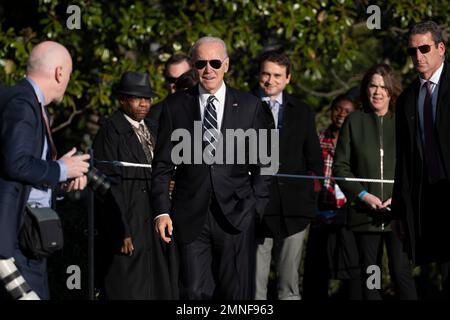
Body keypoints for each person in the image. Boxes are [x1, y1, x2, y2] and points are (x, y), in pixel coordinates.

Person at [151, 36, 270, 300]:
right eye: (201, 63)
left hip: (237, 216)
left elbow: (266, 165)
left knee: (235, 294)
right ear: (193, 67)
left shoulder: (251, 106)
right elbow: (162, 165)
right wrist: (161, 211)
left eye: (215, 62)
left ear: (226, 65)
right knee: (193, 292)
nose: (209, 69)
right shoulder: (174, 106)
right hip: (189, 215)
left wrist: (253, 209)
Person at [0, 41, 90, 300]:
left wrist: (57, 180)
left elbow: (20, 171)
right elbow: (15, 163)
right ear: (60, 73)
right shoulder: (22, 102)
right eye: (69, 75)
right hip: (17, 243)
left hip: (24, 240)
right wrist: (62, 168)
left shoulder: (21, 99)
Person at [333, 63, 417, 300]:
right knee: (371, 275)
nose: (377, 92)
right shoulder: (354, 121)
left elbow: (414, 166)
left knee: (402, 273)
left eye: (383, 87)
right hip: (364, 215)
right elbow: (340, 167)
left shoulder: (404, 122)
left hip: (398, 216)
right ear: (365, 89)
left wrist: (400, 198)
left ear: (391, 91)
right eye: (373, 86)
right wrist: (363, 195)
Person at [92, 71, 178, 300]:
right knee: (129, 288)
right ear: (122, 99)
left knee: (159, 287)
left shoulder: (153, 127)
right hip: (128, 222)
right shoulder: (110, 132)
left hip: (154, 222)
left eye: (147, 98)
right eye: (136, 98)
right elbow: (107, 185)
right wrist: (120, 230)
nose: (143, 103)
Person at [254, 51, 323, 300]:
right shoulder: (242, 106)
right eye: (266, 74)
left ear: (288, 78)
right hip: (255, 209)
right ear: (259, 75)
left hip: (294, 208)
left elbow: (314, 159)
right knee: (254, 284)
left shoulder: (302, 111)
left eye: (277, 75)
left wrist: (313, 200)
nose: (270, 80)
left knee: (289, 284)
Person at [392, 20, 450, 297]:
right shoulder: (407, 99)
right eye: (412, 51)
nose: (418, 56)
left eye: (424, 48)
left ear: (441, 48)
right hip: (426, 198)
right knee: (440, 269)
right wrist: (400, 211)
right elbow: (403, 159)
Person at [303, 94, 361, 300]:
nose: (341, 115)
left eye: (347, 112)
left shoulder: (358, 143)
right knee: (317, 264)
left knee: (351, 266)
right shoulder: (318, 139)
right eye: (338, 109)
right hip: (321, 209)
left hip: (349, 211)